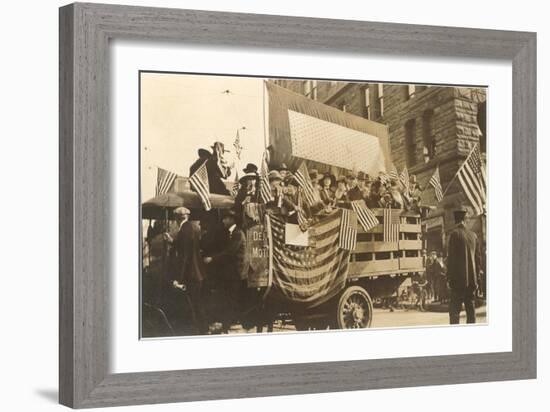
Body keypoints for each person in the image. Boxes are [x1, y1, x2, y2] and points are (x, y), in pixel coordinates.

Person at [164, 207, 208, 334]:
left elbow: (184, 256)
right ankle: (202, 329)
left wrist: (179, 278)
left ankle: (199, 331)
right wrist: (172, 241)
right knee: (197, 302)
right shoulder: (191, 228)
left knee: (194, 304)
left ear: (178, 218)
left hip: (191, 274)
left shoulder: (184, 230)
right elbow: (186, 247)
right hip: (197, 272)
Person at [203, 209, 247, 333]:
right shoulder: (230, 233)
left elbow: (230, 252)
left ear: (231, 220)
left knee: (230, 299)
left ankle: (228, 325)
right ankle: (226, 324)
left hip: (235, 273)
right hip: (229, 272)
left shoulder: (238, 233)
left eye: (225, 218)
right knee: (226, 298)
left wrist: (212, 259)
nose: (223, 221)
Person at [446, 206, 482, 324]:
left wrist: (449, 278)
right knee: (471, 311)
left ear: (456, 220)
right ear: (464, 220)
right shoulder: (473, 236)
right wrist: (476, 279)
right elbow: (478, 260)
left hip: (457, 281)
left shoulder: (454, 235)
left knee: (454, 312)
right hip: (471, 281)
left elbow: (451, 260)